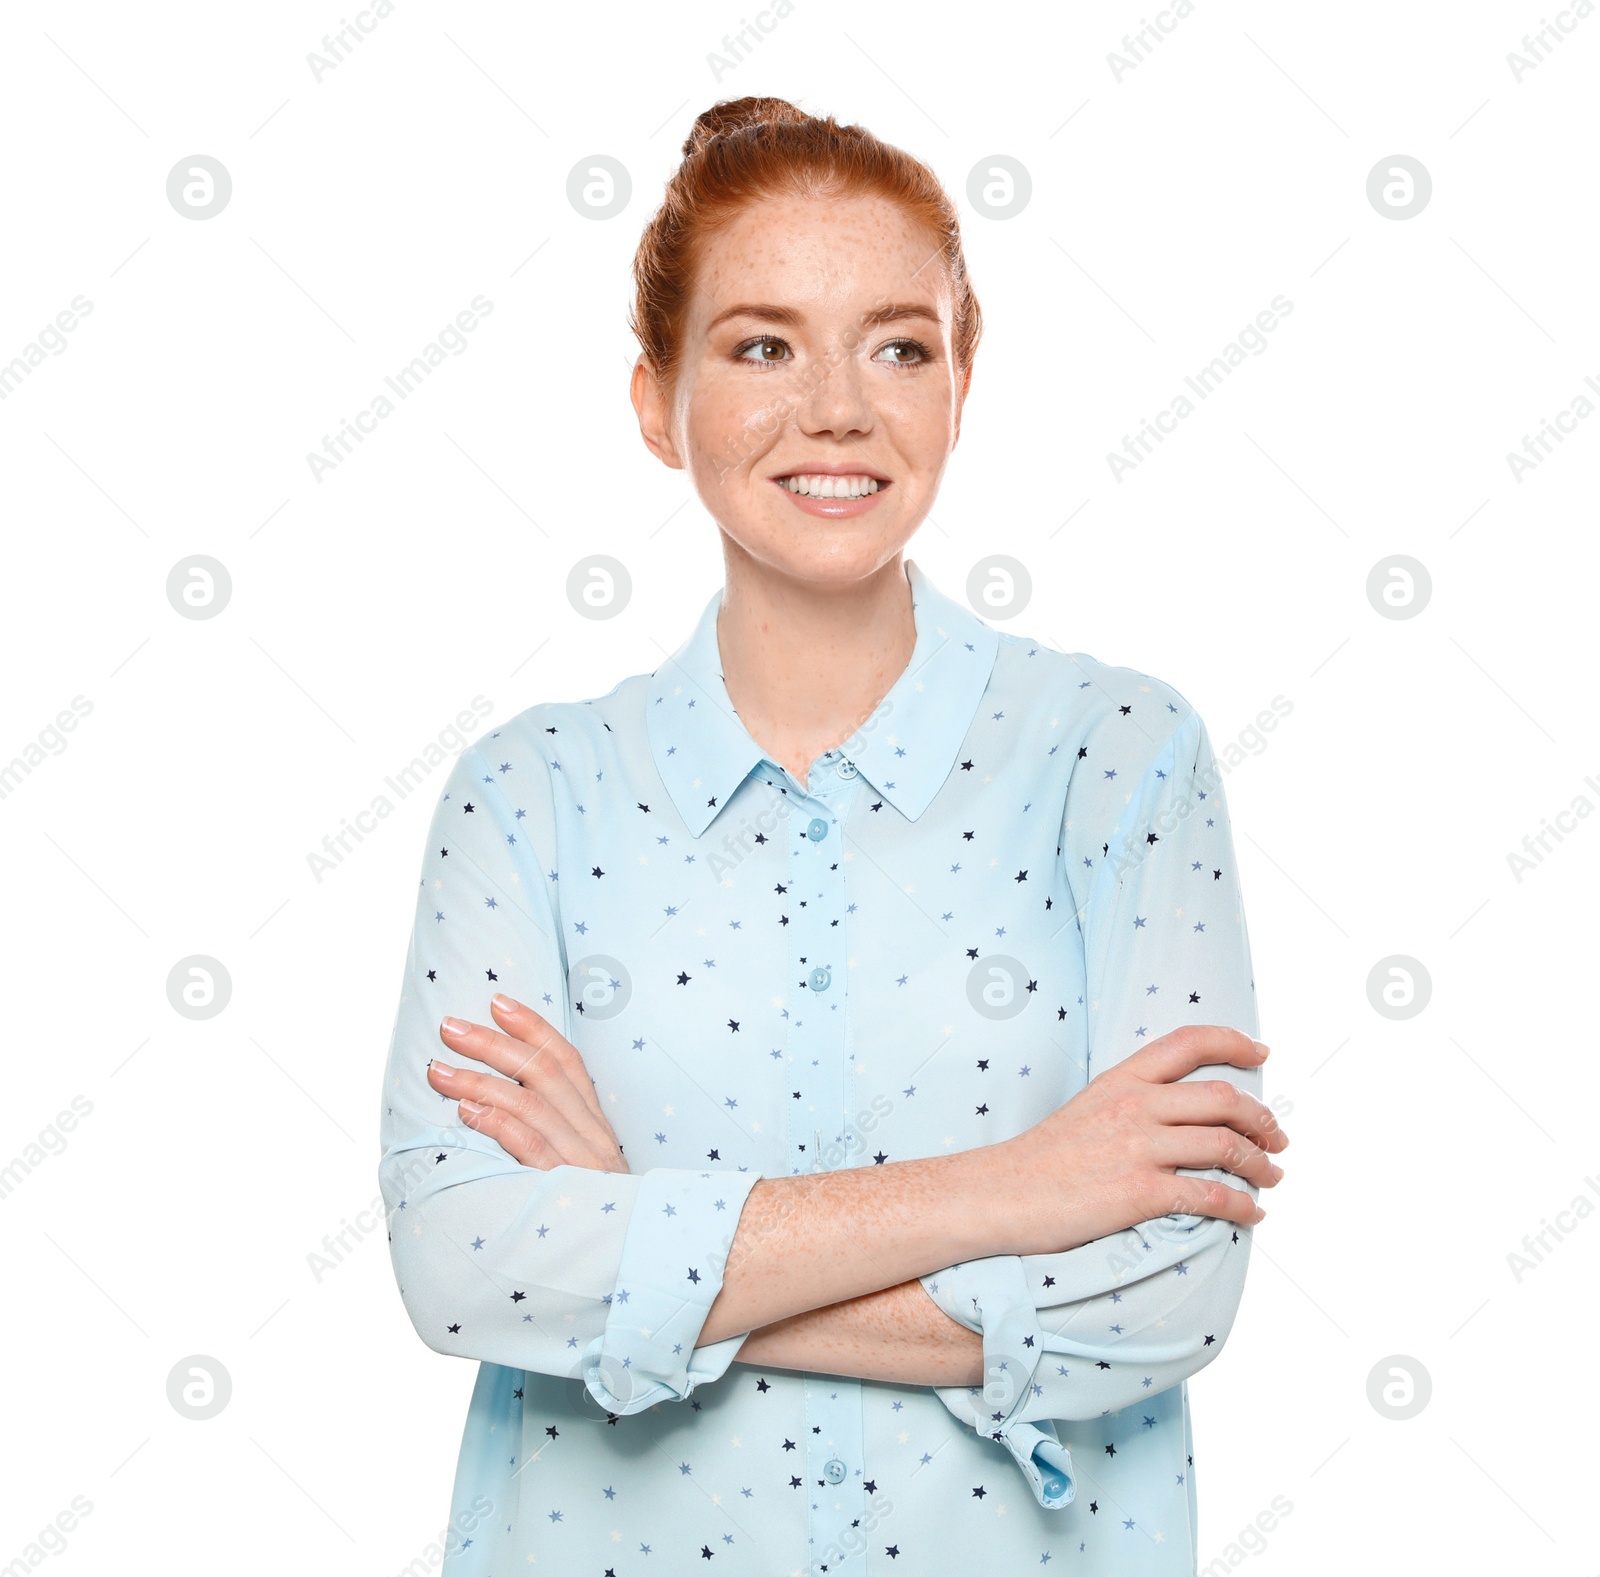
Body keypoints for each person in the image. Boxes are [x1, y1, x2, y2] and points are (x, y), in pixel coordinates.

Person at [378, 95, 1288, 1576]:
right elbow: (465, 1266)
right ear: (652, 401)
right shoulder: (527, 795)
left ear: (961, 383)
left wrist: (631, 1237)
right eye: (759, 345)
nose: (838, 408)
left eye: (899, 344)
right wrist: (1011, 1189)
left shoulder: (1120, 760)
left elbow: (1167, 1289)